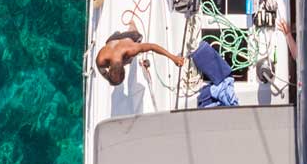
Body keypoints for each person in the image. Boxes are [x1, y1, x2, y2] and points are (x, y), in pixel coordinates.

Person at [94, 27, 241, 110]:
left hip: (127, 39)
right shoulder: (101, 58)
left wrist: (173, 57)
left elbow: (152, 46)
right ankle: (118, 35)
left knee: (137, 35)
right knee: (111, 41)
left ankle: (131, 26)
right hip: (112, 41)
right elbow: (102, 70)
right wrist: (109, 78)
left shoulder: (130, 49)